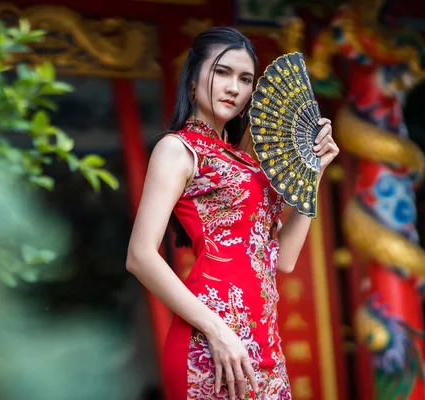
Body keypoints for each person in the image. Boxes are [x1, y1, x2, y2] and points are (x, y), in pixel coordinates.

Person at [126, 27, 339, 400]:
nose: (234, 88)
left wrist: (314, 172)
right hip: (209, 343)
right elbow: (140, 256)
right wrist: (218, 331)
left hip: (262, 343)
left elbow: (284, 260)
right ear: (193, 79)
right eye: (222, 72)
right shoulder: (177, 150)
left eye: (245, 79)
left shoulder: (246, 164)